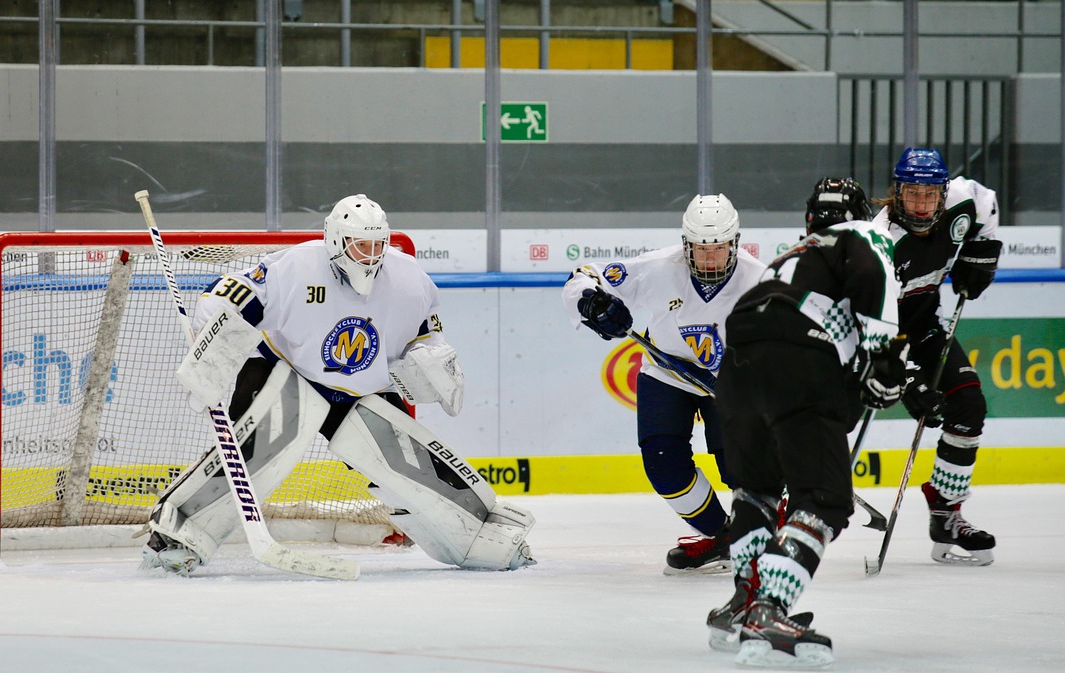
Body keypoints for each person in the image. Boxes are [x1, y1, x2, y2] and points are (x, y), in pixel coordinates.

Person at [141, 193, 536, 574]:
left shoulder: (407, 278)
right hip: (285, 371)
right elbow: (230, 295)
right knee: (255, 455)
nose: (370, 255)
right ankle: (177, 537)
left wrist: (431, 359)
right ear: (335, 240)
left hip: (362, 391)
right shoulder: (296, 267)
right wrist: (212, 336)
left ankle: (482, 540)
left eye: (376, 245)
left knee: (410, 467)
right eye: (359, 245)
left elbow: (425, 334)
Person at [705, 177, 906, 667]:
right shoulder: (863, 235)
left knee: (757, 490)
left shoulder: (790, 256)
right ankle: (770, 609)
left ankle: (744, 601)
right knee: (826, 499)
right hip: (797, 353)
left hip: (737, 362)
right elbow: (872, 278)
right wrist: (885, 357)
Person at [563, 194, 766, 575]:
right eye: (700, 249)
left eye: (718, 249)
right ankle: (721, 536)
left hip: (732, 383)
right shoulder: (658, 267)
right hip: (666, 376)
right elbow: (582, 277)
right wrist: (593, 305)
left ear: (735, 243)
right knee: (663, 465)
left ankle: (760, 526)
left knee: (740, 467)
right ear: (686, 244)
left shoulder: (760, 280)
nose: (708, 259)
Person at [871, 148, 1001, 566]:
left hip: (924, 325)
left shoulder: (964, 201)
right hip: (872, 336)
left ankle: (946, 512)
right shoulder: (879, 241)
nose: (922, 204)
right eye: (913, 195)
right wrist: (907, 380)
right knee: (832, 415)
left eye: (931, 195)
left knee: (968, 403)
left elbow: (989, 204)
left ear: (943, 193)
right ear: (897, 193)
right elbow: (869, 319)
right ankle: (784, 507)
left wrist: (982, 251)